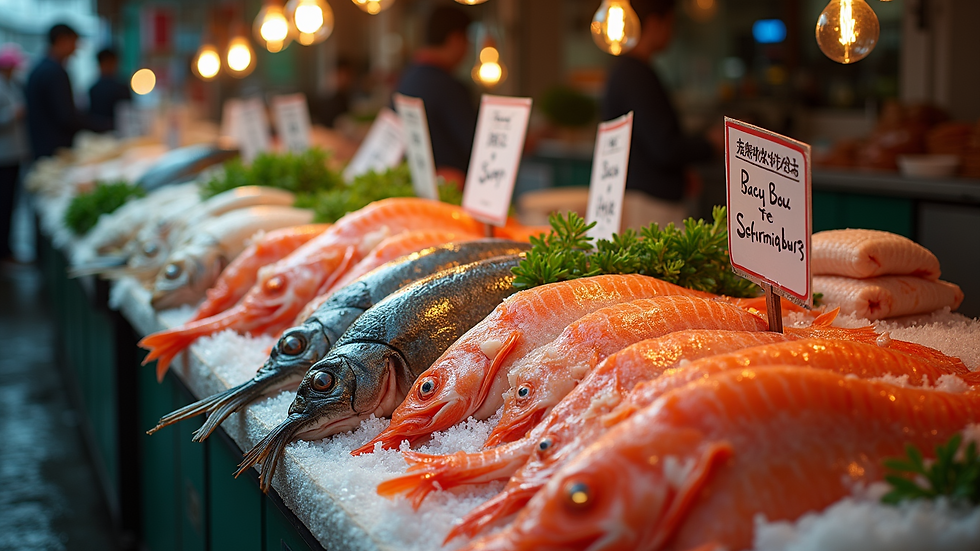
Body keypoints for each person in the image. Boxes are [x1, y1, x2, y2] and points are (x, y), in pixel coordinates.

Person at [601, 0, 717, 229]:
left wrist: (681, 175)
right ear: (655, 24)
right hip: (649, 205)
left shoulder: (629, 71)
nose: (673, 33)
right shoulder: (636, 75)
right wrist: (710, 144)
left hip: (641, 197)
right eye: (671, 24)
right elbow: (665, 147)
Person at [395, 6, 476, 179]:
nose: (468, 49)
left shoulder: (407, 78)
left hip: (415, 185)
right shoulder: (449, 86)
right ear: (456, 39)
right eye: (468, 40)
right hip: (450, 192)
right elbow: (477, 144)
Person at [26, 23, 107, 159]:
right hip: (55, 149)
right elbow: (66, 116)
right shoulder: (55, 72)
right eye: (74, 43)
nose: (76, 49)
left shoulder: (39, 67)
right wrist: (103, 126)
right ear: (62, 40)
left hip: (40, 145)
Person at [0, 44, 27, 262]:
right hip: (4, 155)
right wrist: (12, 114)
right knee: (4, 202)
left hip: (14, 153)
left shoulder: (12, 84)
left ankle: (7, 248)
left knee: (11, 203)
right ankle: (4, 251)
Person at [88, 48, 131, 130]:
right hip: (118, 131)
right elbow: (128, 114)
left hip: (97, 132)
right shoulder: (121, 88)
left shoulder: (93, 88)